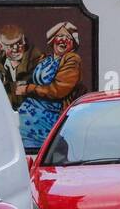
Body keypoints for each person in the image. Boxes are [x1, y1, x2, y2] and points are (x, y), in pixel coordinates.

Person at [16, 21, 84, 152]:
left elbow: (58, 90)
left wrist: (28, 89)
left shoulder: (72, 60)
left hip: (46, 121)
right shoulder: (46, 59)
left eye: (68, 38)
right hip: (26, 119)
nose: (63, 40)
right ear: (53, 39)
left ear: (73, 43)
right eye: (60, 36)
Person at [0, 26, 44, 111]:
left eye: (19, 43)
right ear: (1, 46)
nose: (16, 49)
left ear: (24, 41)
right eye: (10, 46)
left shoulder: (40, 63)